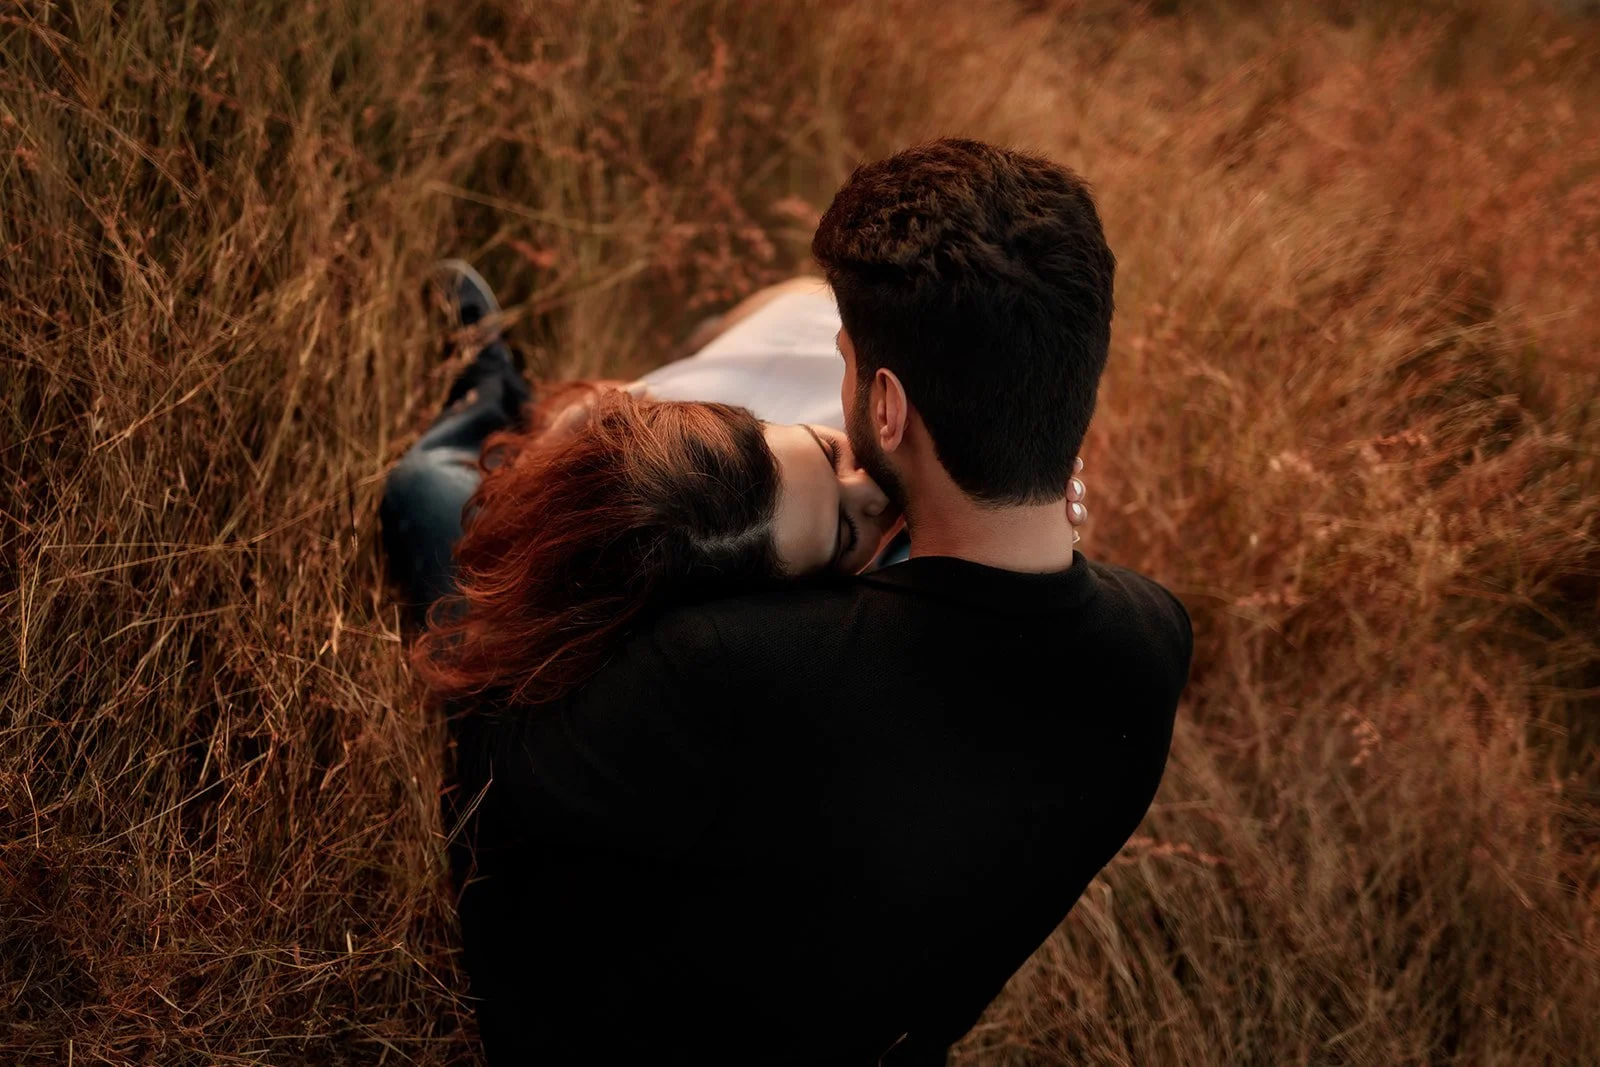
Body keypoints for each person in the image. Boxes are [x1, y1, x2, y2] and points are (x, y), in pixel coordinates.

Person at [380, 139, 1191, 1065]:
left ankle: (496, 393)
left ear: (886, 407)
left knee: (435, 494)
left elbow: (497, 755)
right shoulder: (1155, 641)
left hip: (599, 1027)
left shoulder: (723, 663)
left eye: (849, 363)